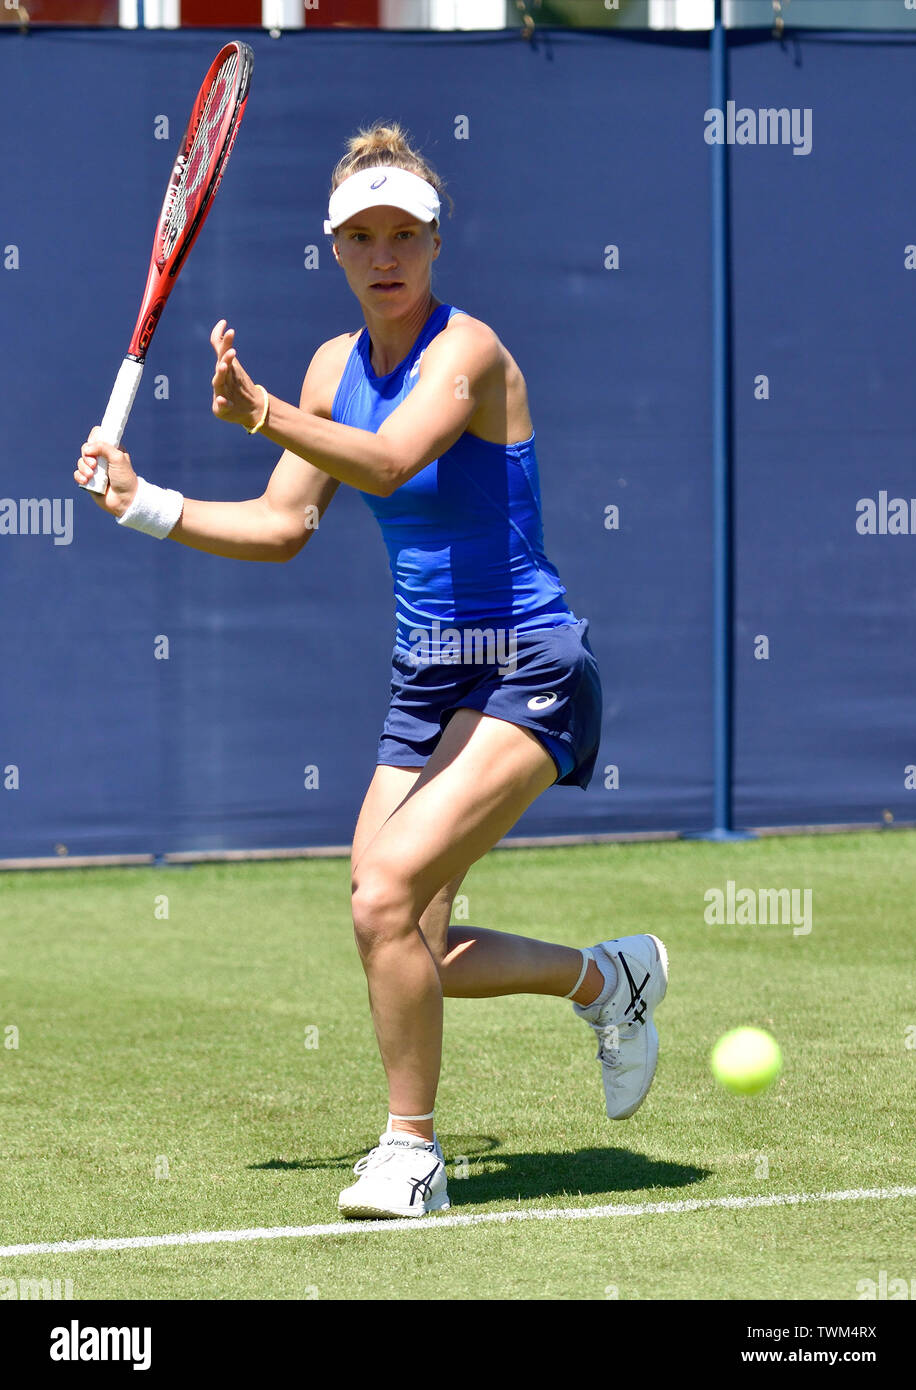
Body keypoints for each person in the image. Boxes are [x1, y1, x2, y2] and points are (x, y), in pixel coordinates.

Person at [75, 123, 668, 1221]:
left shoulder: (469, 353)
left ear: (435, 244)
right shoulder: (329, 370)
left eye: (403, 233)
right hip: (425, 679)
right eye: (361, 237)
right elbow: (283, 522)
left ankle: (410, 1154)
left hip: (526, 664)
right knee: (399, 932)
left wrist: (261, 413)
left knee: (388, 896)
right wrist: (145, 503)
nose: (383, 253)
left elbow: (394, 459)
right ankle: (607, 980)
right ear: (335, 252)